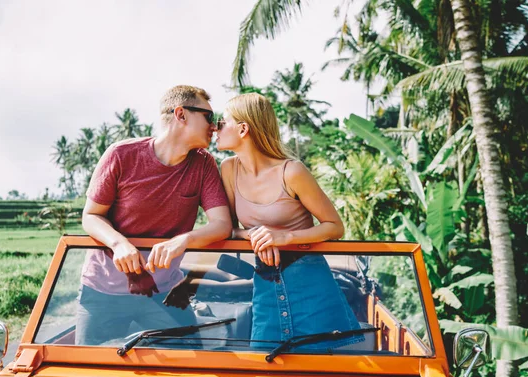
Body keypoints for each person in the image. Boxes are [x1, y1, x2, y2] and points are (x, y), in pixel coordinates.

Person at [76, 85, 232, 345]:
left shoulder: (203, 163)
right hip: (103, 289)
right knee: (83, 371)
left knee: (193, 363)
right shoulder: (121, 155)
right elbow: (91, 216)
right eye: (208, 117)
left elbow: (222, 224)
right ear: (181, 114)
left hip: (164, 290)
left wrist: (183, 240)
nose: (214, 127)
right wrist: (118, 243)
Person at [216, 92, 363, 350]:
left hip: (310, 284)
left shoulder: (292, 171)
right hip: (265, 283)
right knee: (265, 366)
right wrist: (255, 235)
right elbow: (227, 229)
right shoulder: (229, 169)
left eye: (222, 122)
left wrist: (285, 237)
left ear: (243, 129)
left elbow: (335, 227)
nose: (215, 128)